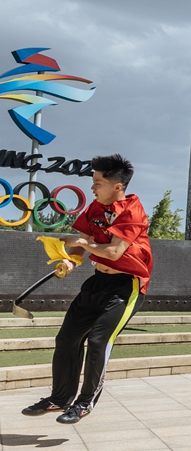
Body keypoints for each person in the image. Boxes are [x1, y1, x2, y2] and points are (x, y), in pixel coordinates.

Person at [21, 155, 153, 424]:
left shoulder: (132, 211)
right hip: (97, 282)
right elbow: (83, 244)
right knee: (67, 339)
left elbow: (115, 252)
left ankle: (84, 403)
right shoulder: (94, 208)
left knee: (98, 342)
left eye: (98, 182)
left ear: (117, 186)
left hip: (125, 287)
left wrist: (83, 242)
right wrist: (70, 259)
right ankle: (59, 399)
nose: (93, 187)